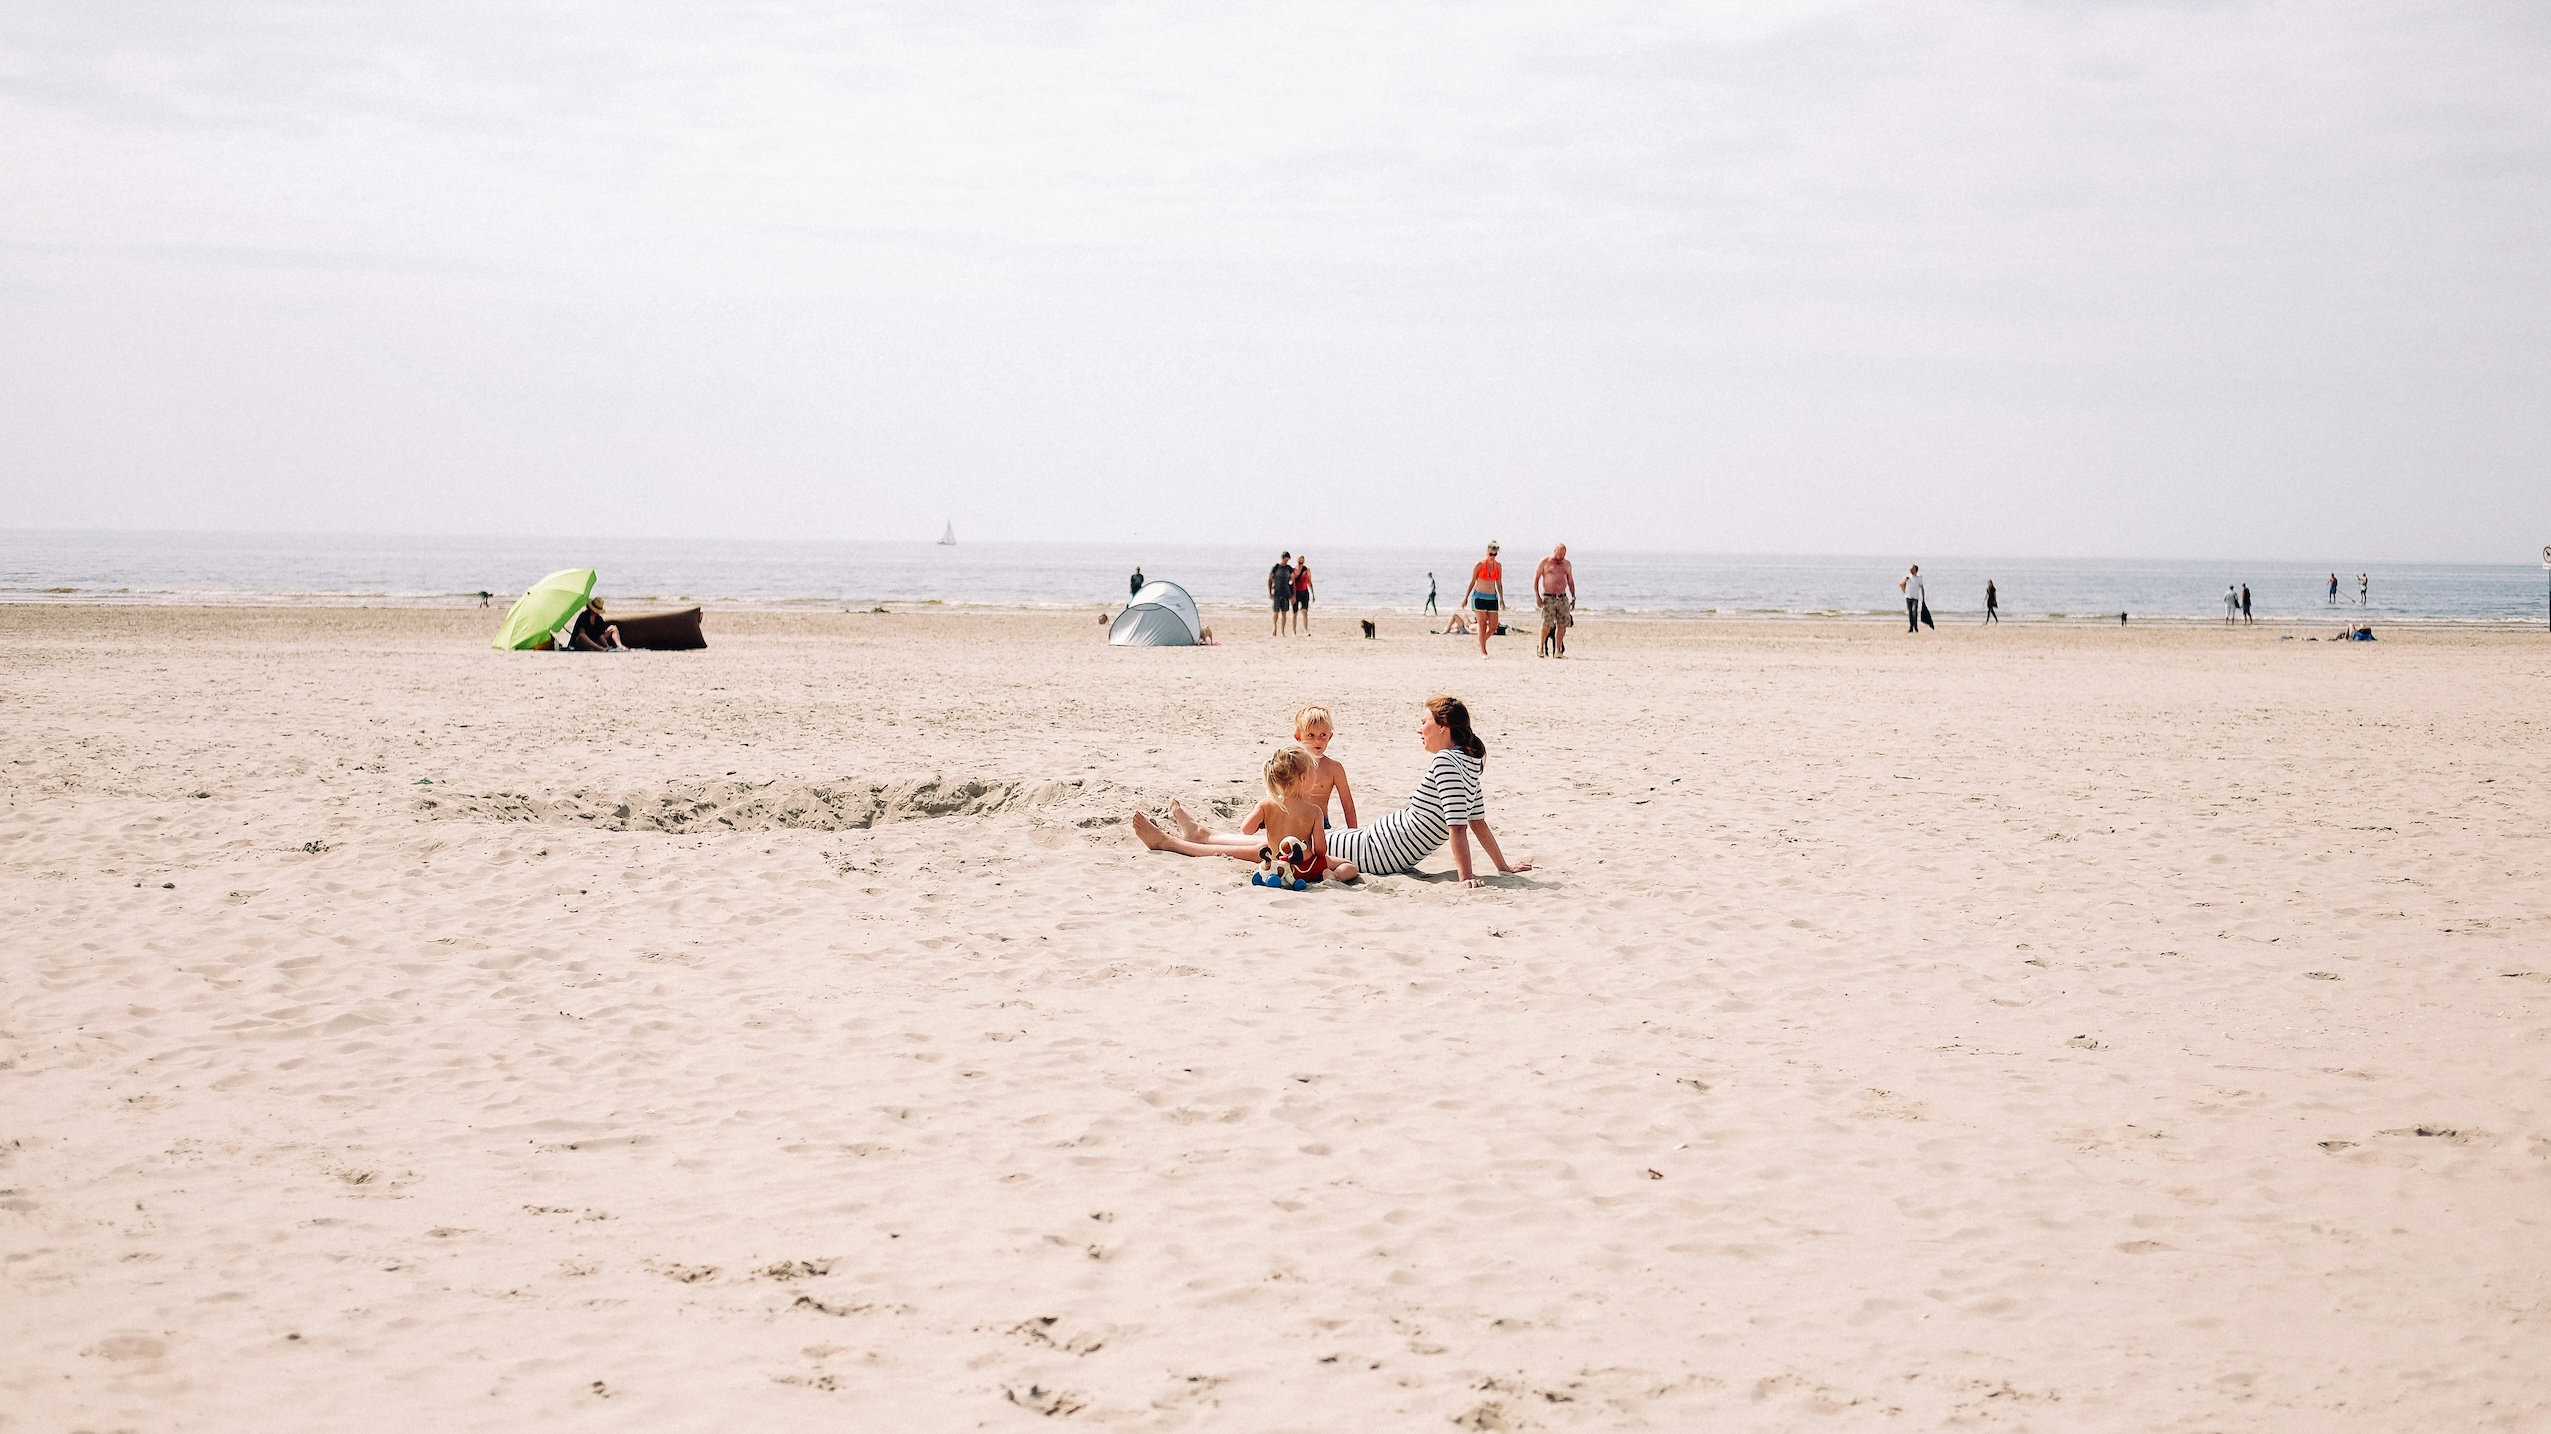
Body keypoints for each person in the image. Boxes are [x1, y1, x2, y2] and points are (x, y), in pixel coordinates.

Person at [1324, 696, 1529, 886]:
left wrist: (1466, 878)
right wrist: (1502, 867)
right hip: (1373, 842)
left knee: (1306, 842)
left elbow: (1462, 826)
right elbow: (1476, 823)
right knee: (1307, 839)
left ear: (1443, 726)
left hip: (1374, 852)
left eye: (1424, 722)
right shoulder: (1466, 761)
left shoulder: (1447, 761)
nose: (1419, 730)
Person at [1131, 746, 1329, 880]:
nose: (1316, 776)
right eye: (1313, 772)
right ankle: (1191, 836)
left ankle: (1186, 837)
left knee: (1263, 846)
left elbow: (1246, 830)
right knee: (1259, 847)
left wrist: (1264, 821)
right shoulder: (1314, 811)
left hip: (1274, 858)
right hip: (1297, 866)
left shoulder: (1268, 803)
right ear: (1303, 778)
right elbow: (1321, 851)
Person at [1465, 543, 1507, 656]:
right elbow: (1472, 581)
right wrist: (1466, 597)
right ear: (1487, 552)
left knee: (1493, 626)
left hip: (1492, 597)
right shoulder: (1479, 565)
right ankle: (1483, 651)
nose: (1492, 556)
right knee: (1482, 624)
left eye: (1495, 554)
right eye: (1490, 554)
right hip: (1479, 596)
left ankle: (1481, 641)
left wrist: (1502, 599)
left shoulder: (1498, 566)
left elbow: (1499, 583)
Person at [1534, 543, 1576, 658]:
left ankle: (1558, 650)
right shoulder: (1545, 562)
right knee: (1547, 624)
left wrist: (1573, 597)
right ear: (1554, 551)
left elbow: (1570, 581)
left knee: (1562, 625)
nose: (1561, 556)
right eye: (1559, 554)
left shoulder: (1566, 564)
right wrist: (1537, 596)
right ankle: (1541, 646)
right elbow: (1536, 579)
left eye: (1563, 554)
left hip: (1562, 597)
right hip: (1548, 597)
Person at [1268, 552, 1295, 638]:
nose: (1286, 561)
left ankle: (1282, 631)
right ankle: (1274, 628)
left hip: (1286, 593)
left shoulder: (1289, 568)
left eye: (1288, 560)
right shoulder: (1276, 568)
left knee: (1284, 613)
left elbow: (1293, 582)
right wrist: (1270, 592)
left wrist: (1293, 594)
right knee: (1276, 612)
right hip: (1277, 592)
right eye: (1286, 559)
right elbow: (1270, 579)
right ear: (1283, 558)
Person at [1900, 564, 1926, 633]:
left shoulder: (1919, 578)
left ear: (1915, 570)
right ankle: (1911, 627)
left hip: (1915, 597)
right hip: (1908, 597)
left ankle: (1916, 627)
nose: (1910, 570)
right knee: (1910, 612)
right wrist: (1904, 590)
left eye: (1912, 569)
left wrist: (1923, 596)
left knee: (1915, 611)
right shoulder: (1907, 577)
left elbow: (1921, 587)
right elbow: (1901, 584)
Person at [1293, 556, 1314, 636]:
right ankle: (1294, 631)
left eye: (1302, 562)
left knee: (1305, 612)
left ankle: (1306, 630)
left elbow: (1309, 582)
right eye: (1299, 561)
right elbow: (1292, 582)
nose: (1301, 563)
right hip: (1296, 592)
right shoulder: (1294, 570)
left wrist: (1312, 593)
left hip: (1305, 592)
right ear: (1297, 561)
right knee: (1295, 613)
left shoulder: (1307, 570)